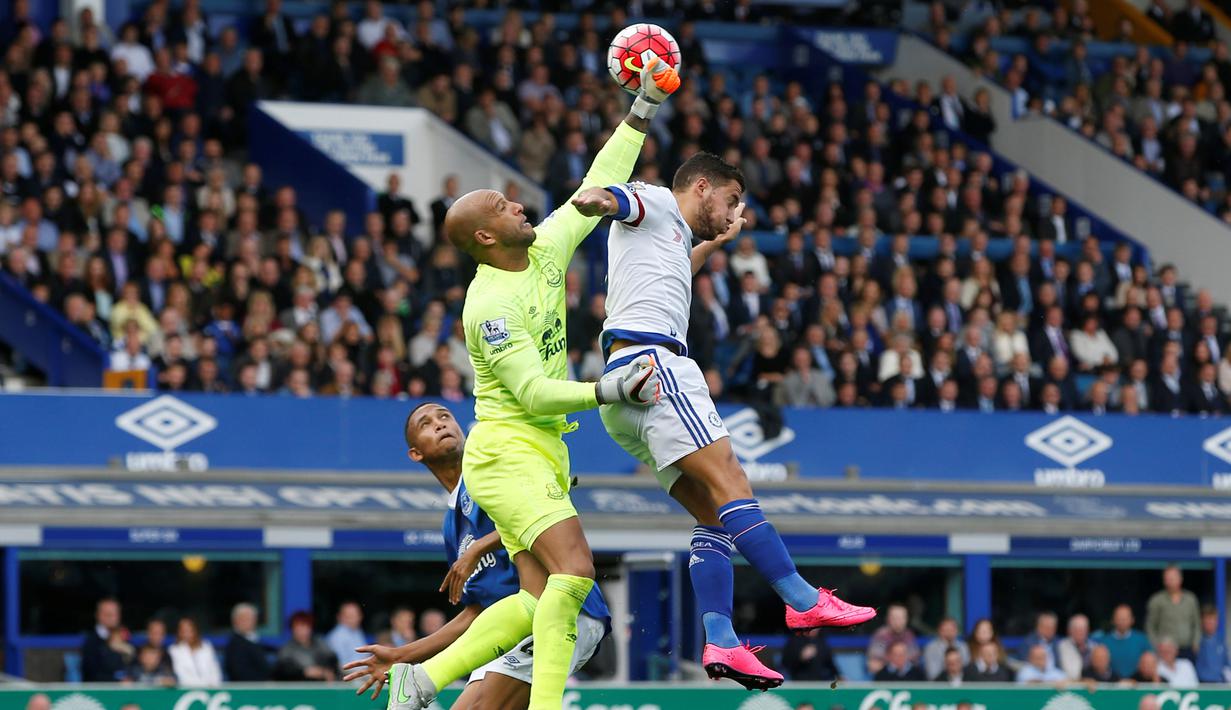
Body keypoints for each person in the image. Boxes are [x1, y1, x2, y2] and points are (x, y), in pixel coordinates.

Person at [382, 57, 679, 710]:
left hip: (542, 448)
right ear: (486, 236)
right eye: (501, 205)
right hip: (506, 448)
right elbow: (535, 395)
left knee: (537, 598)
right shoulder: (488, 307)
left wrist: (641, 110)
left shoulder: (542, 248)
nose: (517, 202)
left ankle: (423, 681)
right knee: (574, 573)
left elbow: (597, 183)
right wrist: (610, 389)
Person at [585, 152, 874, 686]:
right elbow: (612, 199)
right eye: (731, 200)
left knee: (714, 515)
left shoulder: (665, 239)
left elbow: (679, 265)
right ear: (701, 187)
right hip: (657, 367)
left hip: (623, 391)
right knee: (732, 481)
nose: (732, 210)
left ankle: (722, 641)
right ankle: (801, 599)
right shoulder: (652, 201)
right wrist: (595, 199)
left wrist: (719, 240)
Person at [344, 403, 611, 708]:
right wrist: (403, 654)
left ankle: (422, 680)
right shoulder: (451, 525)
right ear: (415, 453)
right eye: (426, 423)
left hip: (566, 613)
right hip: (508, 633)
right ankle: (417, 678)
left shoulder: (490, 471)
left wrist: (479, 547)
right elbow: (477, 612)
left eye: (445, 416)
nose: (440, 424)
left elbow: (541, 512)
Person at [1146, 565, 1202, 658]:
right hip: (1165, 651)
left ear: (1180, 579)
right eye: (1168, 578)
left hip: (1187, 649)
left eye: (1173, 578)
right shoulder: (1156, 600)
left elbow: (1197, 624)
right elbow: (1150, 627)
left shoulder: (1190, 599)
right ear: (1164, 580)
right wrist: (1156, 646)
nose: (1171, 581)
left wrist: (1196, 643)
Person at [273, 611, 337, 681]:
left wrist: (325, 671)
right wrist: (304, 672)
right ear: (292, 630)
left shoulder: (320, 644)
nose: (302, 631)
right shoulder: (287, 650)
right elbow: (283, 672)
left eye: (305, 627)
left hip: (323, 686)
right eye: (298, 628)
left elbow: (332, 660)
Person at [1094, 605, 1154, 679]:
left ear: (1132, 620)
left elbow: (1152, 663)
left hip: (1137, 684)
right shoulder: (1103, 642)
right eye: (1119, 618)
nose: (1122, 621)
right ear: (1113, 620)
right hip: (1111, 684)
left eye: (1125, 618)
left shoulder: (1142, 640)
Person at [81, 598, 131, 682]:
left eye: (114, 614)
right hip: (100, 691)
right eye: (107, 614)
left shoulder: (125, 637)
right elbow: (91, 673)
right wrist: (117, 680)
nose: (111, 617)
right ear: (98, 615)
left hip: (125, 690)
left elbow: (132, 665)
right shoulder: (91, 642)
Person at [167, 617, 222, 687]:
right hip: (187, 691)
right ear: (179, 632)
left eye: (189, 629)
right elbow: (181, 675)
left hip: (211, 690)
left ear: (195, 630)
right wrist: (202, 685)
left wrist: (213, 686)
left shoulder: (207, 647)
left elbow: (215, 671)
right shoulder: (173, 650)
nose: (187, 633)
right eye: (183, 630)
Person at [867, 605, 920, 675]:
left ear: (906, 620)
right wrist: (894, 662)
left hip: (905, 674)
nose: (898, 621)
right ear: (888, 619)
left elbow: (915, 660)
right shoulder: (881, 635)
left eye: (901, 618)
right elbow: (874, 662)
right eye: (895, 618)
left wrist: (899, 661)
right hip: (886, 674)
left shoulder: (909, 635)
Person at [224, 603, 272, 682]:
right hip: (250, 689)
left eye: (250, 618)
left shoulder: (256, 640)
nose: (247, 622)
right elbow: (239, 673)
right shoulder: (235, 644)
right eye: (243, 619)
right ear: (235, 621)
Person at [325, 602, 367, 670]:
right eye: (350, 616)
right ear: (340, 617)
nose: (355, 619)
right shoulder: (337, 636)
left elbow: (363, 656)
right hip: (347, 674)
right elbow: (342, 666)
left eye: (356, 615)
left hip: (362, 670)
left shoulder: (357, 631)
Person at [1196, 605, 1231, 682]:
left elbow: (1226, 664)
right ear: (1202, 622)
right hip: (1202, 683)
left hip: (1220, 683)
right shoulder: (1197, 641)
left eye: (1212, 619)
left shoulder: (1221, 641)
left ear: (1217, 621)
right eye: (1207, 620)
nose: (1209, 623)